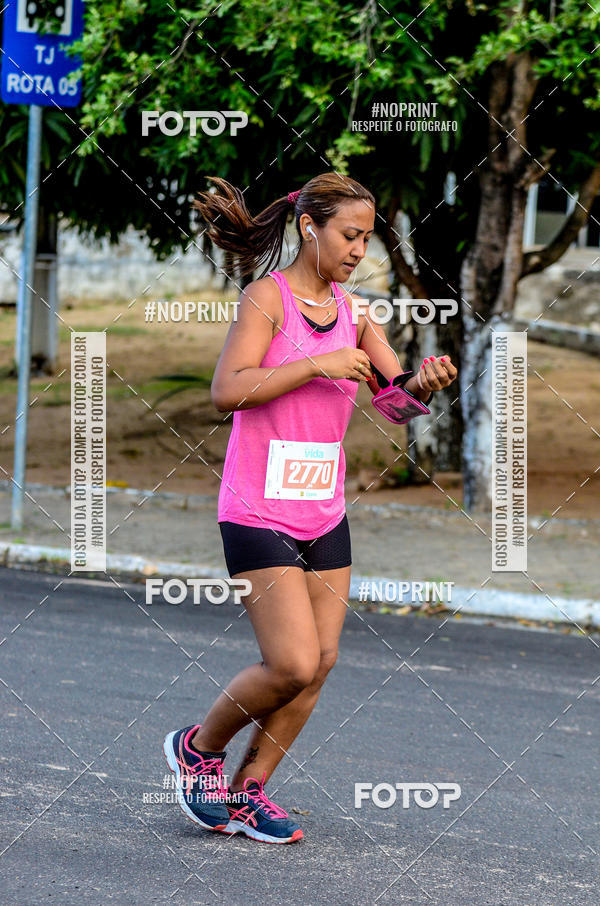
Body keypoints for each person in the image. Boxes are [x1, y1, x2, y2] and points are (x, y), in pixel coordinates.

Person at [163, 173, 458, 844]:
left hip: (322, 512)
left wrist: (424, 384)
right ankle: (198, 749)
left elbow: (392, 399)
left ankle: (248, 790)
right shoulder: (267, 299)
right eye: (349, 235)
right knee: (290, 663)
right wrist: (315, 366)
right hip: (256, 507)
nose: (359, 250)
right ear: (309, 227)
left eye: (367, 239)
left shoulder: (356, 314)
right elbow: (225, 391)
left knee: (321, 663)